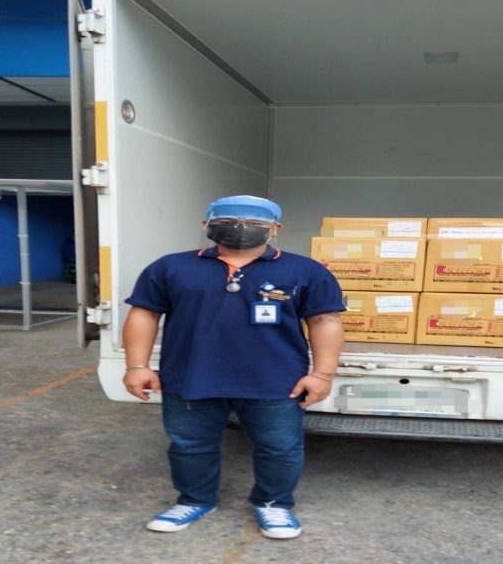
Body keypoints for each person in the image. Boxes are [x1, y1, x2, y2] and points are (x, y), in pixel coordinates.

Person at [121, 195, 345, 539]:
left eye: (255, 223)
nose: (240, 228)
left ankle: (274, 503)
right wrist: (136, 365)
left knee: (279, 447)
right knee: (189, 445)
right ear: (206, 225)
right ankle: (195, 499)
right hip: (191, 376)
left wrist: (322, 374)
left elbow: (324, 320)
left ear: (275, 229)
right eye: (227, 221)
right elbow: (144, 314)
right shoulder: (170, 267)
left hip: (275, 380)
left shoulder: (305, 270)